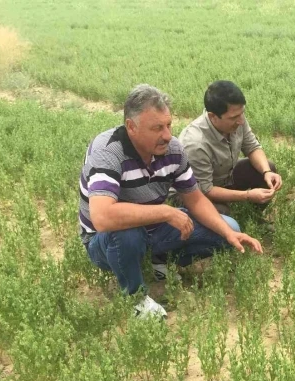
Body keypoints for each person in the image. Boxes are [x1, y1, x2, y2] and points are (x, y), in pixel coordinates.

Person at [79, 84, 262, 318]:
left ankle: (160, 261)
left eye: (168, 125)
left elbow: (195, 199)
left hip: (153, 229)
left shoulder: (172, 149)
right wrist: (165, 213)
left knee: (229, 227)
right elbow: (103, 217)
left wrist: (228, 234)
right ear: (131, 127)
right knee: (126, 233)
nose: (166, 135)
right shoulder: (108, 152)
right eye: (157, 128)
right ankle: (136, 297)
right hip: (104, 241)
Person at [178, 80, 282, 216]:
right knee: (222, 213)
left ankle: (253, 217)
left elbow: (252, 147)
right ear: (212, 116)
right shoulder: (195, 143)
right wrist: (248, 195)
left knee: (267, 167)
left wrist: (266, 172)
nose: (241, 121)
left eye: (242, 113)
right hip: (194, 193)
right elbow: (206, 190)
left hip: (225, 178)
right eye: (234, 117)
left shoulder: (237, 120)